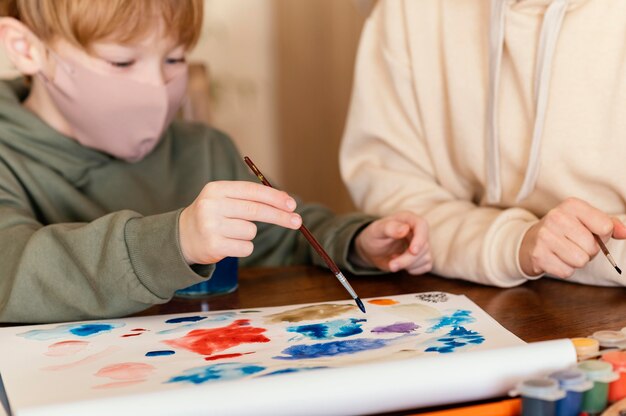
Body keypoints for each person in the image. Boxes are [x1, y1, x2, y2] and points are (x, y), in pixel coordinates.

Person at [0, 0, 432, 323]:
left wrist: (353, 242)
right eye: (122, 60)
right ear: (26, 48)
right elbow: (10, 271)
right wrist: (175, 241)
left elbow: (277, 237)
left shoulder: (203, 149)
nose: (156, 85)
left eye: (174, 58)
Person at [340, 0, 626, 288]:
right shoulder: (406, 10)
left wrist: (564, 251)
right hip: (471, 296)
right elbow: (398, 206)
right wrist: (513, 244)